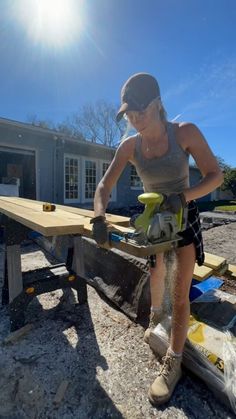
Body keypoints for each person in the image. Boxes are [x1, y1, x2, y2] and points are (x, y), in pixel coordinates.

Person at [90, 73, 223, 406]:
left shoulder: (185, 133)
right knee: (155, 277)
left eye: (140, 112)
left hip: (182, 217)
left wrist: (184, 195)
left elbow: (214, 175)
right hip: (153, 222)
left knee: (180, 292)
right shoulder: (129, 146)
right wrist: (98, 216)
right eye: (129, 115)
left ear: (158, 104)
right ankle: (155, 320)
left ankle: (173, 363)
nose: (134, 120)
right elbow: (104, 186)